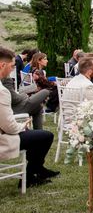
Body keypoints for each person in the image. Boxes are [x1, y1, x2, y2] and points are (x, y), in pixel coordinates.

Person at [0, 46, 58, 188]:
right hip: (3, 139)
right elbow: (10, 127)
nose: (12, 69)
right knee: (46, 136)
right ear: (3, 65)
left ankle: (37, 170)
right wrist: (23, 126)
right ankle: (30, 175)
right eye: (12, 66)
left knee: (37, 122)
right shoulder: (2, 91)